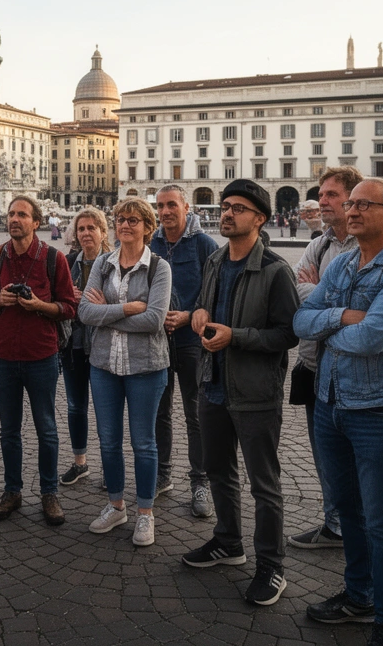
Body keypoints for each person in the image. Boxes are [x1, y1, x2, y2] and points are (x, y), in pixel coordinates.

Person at [293, 177, 383, 646]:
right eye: (348, 204)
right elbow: (300, 321)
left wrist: (329, 323)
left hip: (378, 410)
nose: (350, 211)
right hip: (330, 401)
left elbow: (371, 340)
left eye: (362, 204)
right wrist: (341, 318)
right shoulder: (347, 260)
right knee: (348, 511)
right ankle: (359, 595)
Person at [181, 179, 299, 607]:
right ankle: (228, 542)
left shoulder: (275, 269)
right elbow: (203, 303)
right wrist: (198, 312)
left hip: (254, 393)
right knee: (218, 471)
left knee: (264, 485)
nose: (227, 213)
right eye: (225, 206)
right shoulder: (214, 259)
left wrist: (237, 337)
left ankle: (272, 566)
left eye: (238, 208)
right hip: (211, 384)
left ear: (259, 219)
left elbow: (288, 335)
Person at [77, 199, 172, 546]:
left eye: (133, 220)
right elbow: (85, 312)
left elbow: (154, 320)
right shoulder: (103, 262)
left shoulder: (159, 267)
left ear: (148, 227)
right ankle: (116, 505)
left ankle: (145, 513)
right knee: (109, 440)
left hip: (146, 366)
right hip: (104, 365)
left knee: (144, 443)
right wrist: (129, 307)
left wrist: (110, 312)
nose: (125, 225)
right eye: (120, 219)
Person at [0, 195, 79, 525]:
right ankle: (12, 490)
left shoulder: (54, 259)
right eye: (11, 213)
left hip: (42, 355)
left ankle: (49, 493)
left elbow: (68, 307)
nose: (14, 219)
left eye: (22, 214)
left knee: (47, 428)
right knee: (9, 430)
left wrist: (38, 304)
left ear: (36, 222)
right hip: (4, 355)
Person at [287, 166, 363, 551]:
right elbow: (297, 292)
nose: (322, 202)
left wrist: (320, 297)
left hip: (353, 373)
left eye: (331, 194)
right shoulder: (319, 244)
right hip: (315, 367)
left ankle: (361, 529)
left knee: (357, 461)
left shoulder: (368, 244)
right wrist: (333, 302)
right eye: (322, 194)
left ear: (353, 199)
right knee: (326, 458)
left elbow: (366, 313)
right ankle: (334, 524)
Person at [149, 185, 219, 517]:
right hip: (159, 340)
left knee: (195, 414)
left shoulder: (204, 244)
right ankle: (162, 475)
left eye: (171, 205)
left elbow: (219, 291)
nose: (165, 211)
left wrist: (191, 314)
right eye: (160, 206)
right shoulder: (152, 244)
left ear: (186, 207)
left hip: (192, 342)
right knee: (160, 412)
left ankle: (200, 481)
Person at [59, 209, 110, 486]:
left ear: (103, 231)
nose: (86, 233)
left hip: (104, 345)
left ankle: (107, 466)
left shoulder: (114, 263)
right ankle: (80, 463)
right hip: (75, 345)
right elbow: (56, 301)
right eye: (81, 229)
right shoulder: (67, 263)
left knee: (105, 409)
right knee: (76, 406)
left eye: (92, 228)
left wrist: (99, 303)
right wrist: (69, 298)